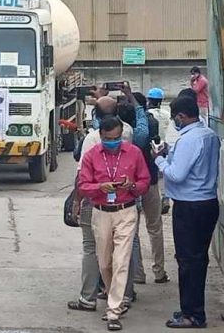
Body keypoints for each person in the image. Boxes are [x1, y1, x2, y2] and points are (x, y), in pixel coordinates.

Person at [153, 96, 220, 329]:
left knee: (188, 261)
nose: (175, 122)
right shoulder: (208, 134)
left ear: (181, 116)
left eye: (175, 118)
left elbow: (177, 174)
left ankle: (192, 314)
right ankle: (192, 308)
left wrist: (159, 160)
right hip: (207, 202)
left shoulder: (189, 140)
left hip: (190, 206)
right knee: (197, 259)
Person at [78, 116, 150, 332]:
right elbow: (83, 185)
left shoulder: (134, 153)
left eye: (118, 138)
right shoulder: (91, 155)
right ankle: (113, 298)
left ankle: (113, 311)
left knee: (121, 261)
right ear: (101, 136)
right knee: (105, 263)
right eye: (110, 139)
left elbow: (145, 181)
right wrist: (100, 187)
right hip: (101, 213)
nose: (114, 142)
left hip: (126, 210)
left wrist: (133, 186)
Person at [68, 96, 135, 314]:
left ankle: (88, 298)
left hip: (96, 201)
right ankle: (124, 295)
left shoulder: (92, 138)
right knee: (124, 249)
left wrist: (77, 201)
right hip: (125, 201)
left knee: (91, 249)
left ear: (94, 115)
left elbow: (81, 176)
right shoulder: (127, 132)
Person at [132, 92, 170, 285]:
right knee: (155, 228)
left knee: (132, 232)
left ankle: (138, 274)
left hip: (131, 186)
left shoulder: (125, 125)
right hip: (151, 182)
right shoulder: (152, 122)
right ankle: (159, 271)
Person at [146, 87, 175, 214]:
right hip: (164, 146)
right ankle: (165, 198)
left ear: (149, 100)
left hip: (151, 147)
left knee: (151, 174)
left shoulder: (147, 115)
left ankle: (151, 201)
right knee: (163, 174)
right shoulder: (167, 114)